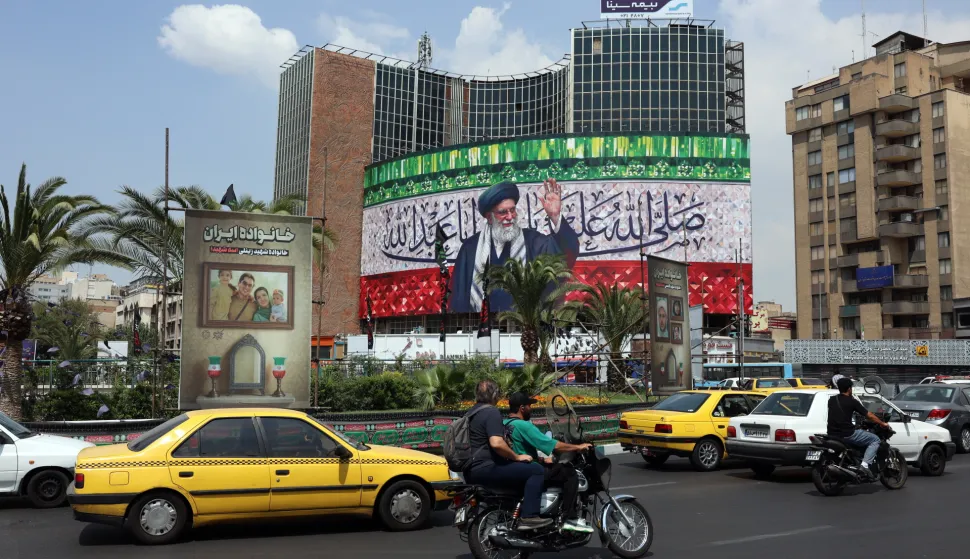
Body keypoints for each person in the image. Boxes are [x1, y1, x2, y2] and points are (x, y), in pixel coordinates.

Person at [450, 179, 580, 314]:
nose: (510, 216)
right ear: (489, 217)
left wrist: (555, 216)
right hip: (479, 330)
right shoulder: (470, 249)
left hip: (525, 331)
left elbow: (564, 254)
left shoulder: (533, 242)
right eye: (503, 212)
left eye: (512, 210)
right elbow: (458, 298)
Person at [463, 380, 551, 530]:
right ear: (495, 395)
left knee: (517, 472)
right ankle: (529, 517)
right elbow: (496, 443)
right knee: (536, 470)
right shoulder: (491, 412)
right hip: (486, 468)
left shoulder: (471, 413)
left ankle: (511, 511)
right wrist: (516, 457)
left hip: (470, 470)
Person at [504, 392, 594, 533]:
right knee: (569, 472)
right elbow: (552, 444)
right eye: (529, 406)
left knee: (551, 467)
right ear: (522, 408)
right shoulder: (524, 425)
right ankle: (569, 518)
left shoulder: (505, 424)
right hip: (528, 469)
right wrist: (578, 447)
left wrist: (538, 459)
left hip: (512, 468)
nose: (531, 409)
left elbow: (517, 448)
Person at [827, 377, 891, 479]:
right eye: (851, 388)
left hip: (832, 434)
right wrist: (882, 423)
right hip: (847, 434)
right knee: (875, 440)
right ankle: (864, 466)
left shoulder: (831, 400)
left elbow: (839, 414)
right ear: (849, 389)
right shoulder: (852, 401)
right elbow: (869, 415)